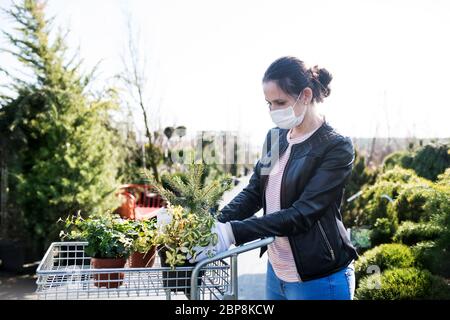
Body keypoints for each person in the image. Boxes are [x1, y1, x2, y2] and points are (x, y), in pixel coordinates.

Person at [191, 56, 358, 300]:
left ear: (306, 95)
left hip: (320, 279)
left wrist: (232, 233)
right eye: (268, 103)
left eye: (280, 102)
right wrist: (215, 227)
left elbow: (302, 214)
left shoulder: (335, 147)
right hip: (277, 272)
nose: (273, 111)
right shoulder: (275, 138)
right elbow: (255, 191)